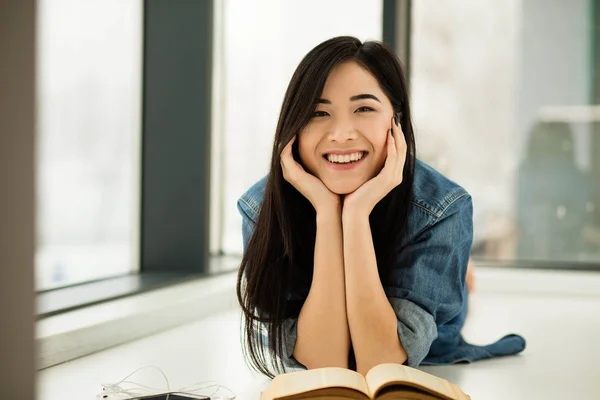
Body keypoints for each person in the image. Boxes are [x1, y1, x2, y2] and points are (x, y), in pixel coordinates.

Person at [236, 36, 525, 378]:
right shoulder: (262, 208)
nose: (341, 134)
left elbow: (380, 364)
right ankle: (461, 274)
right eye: (318, 113)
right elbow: (327, 364)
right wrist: (328, 214)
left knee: (443, 296)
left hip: (431, 343)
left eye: (364, 109)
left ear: (395, 120)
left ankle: (460, 276)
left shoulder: (440, 208)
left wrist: (356, 214)